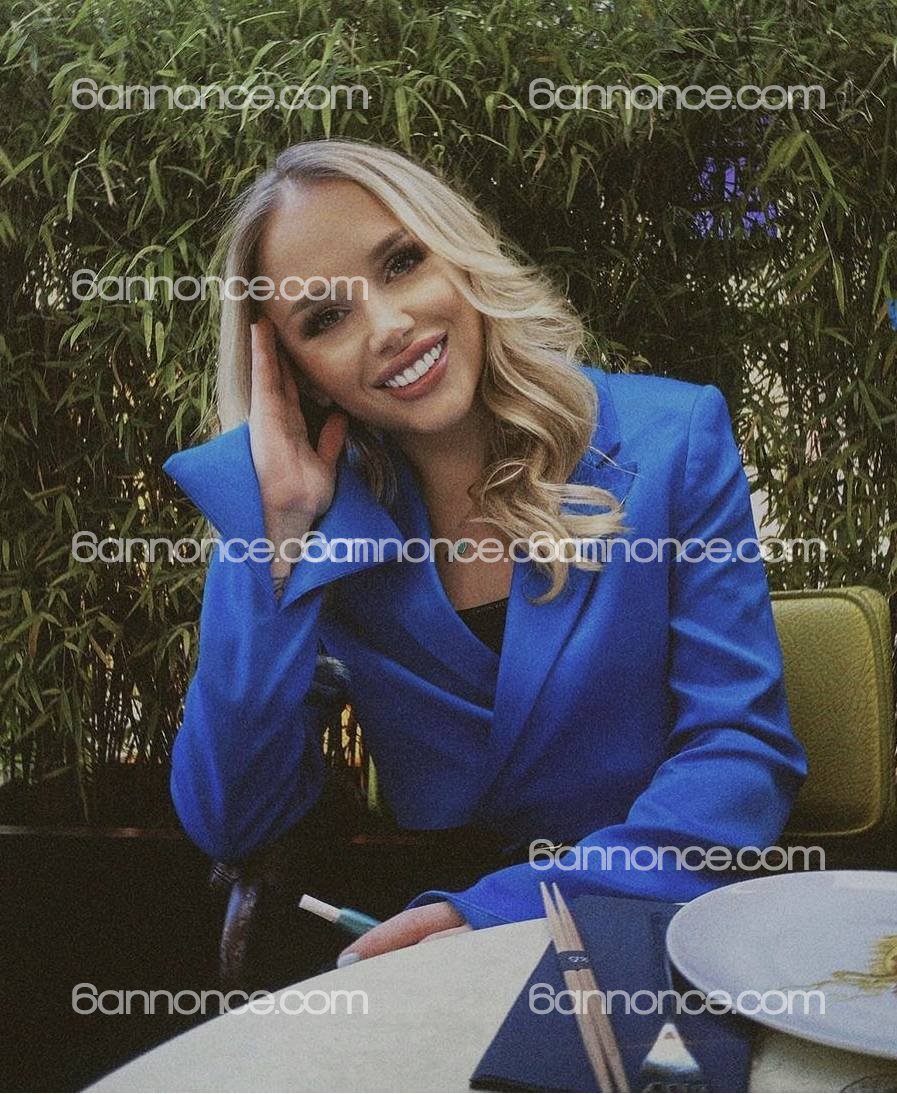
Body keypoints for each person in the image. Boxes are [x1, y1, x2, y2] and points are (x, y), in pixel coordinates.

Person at [162, 139, 808, 969]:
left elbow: (741, 752)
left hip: (653, 912)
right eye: (325, 319)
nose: (388, 327)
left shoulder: (671, 439)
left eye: (401, 263)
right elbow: (234, 819)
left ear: (459, 257)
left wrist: (514, 908)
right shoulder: (317, 520)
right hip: (433, 943)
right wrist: (273, 531)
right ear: (299, 376)